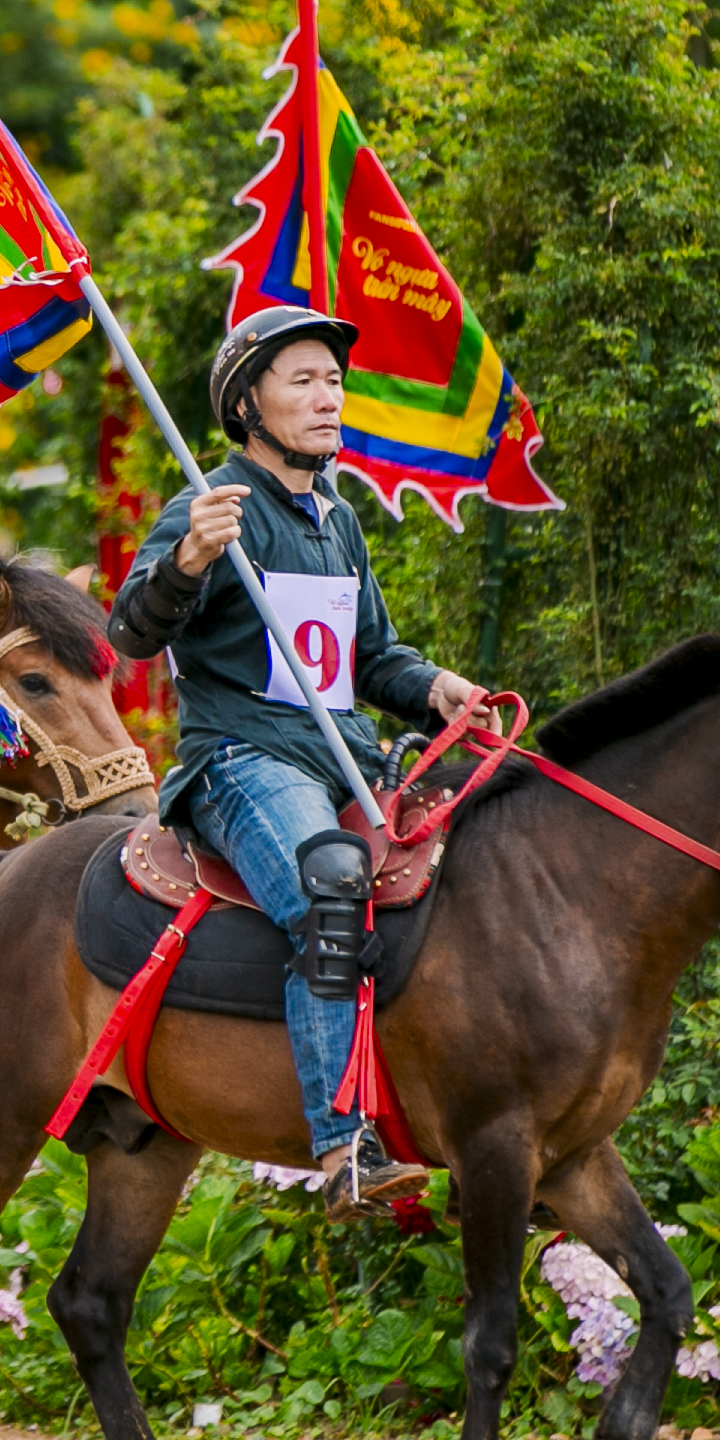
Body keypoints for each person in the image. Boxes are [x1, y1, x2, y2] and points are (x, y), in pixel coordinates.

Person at [106, 305, 493, 1204]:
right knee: (332, 889)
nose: (330, 399)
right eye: (305, 381)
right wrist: (190, 560)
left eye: (336, 381)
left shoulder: (338, 522)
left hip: (344, 759)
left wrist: (438, 688)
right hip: (241, 762)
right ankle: (340, 1144)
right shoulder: (210, 507)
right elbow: (131, 630)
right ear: (248, 403)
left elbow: (372, 659)